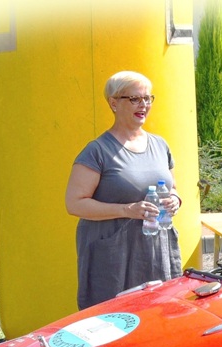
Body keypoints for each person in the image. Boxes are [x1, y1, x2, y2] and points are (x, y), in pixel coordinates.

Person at [65, 70, 182, 310]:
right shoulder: (97, 151)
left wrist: (175, 200)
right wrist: (127, 210)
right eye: (135, 99)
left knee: (158, 315)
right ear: (114, 103)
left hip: (155, 252)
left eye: (148, 98)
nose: (144, 105)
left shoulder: (160, 145)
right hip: (113, 257)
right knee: (113, 321)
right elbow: (74, 203)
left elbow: (173, 188)